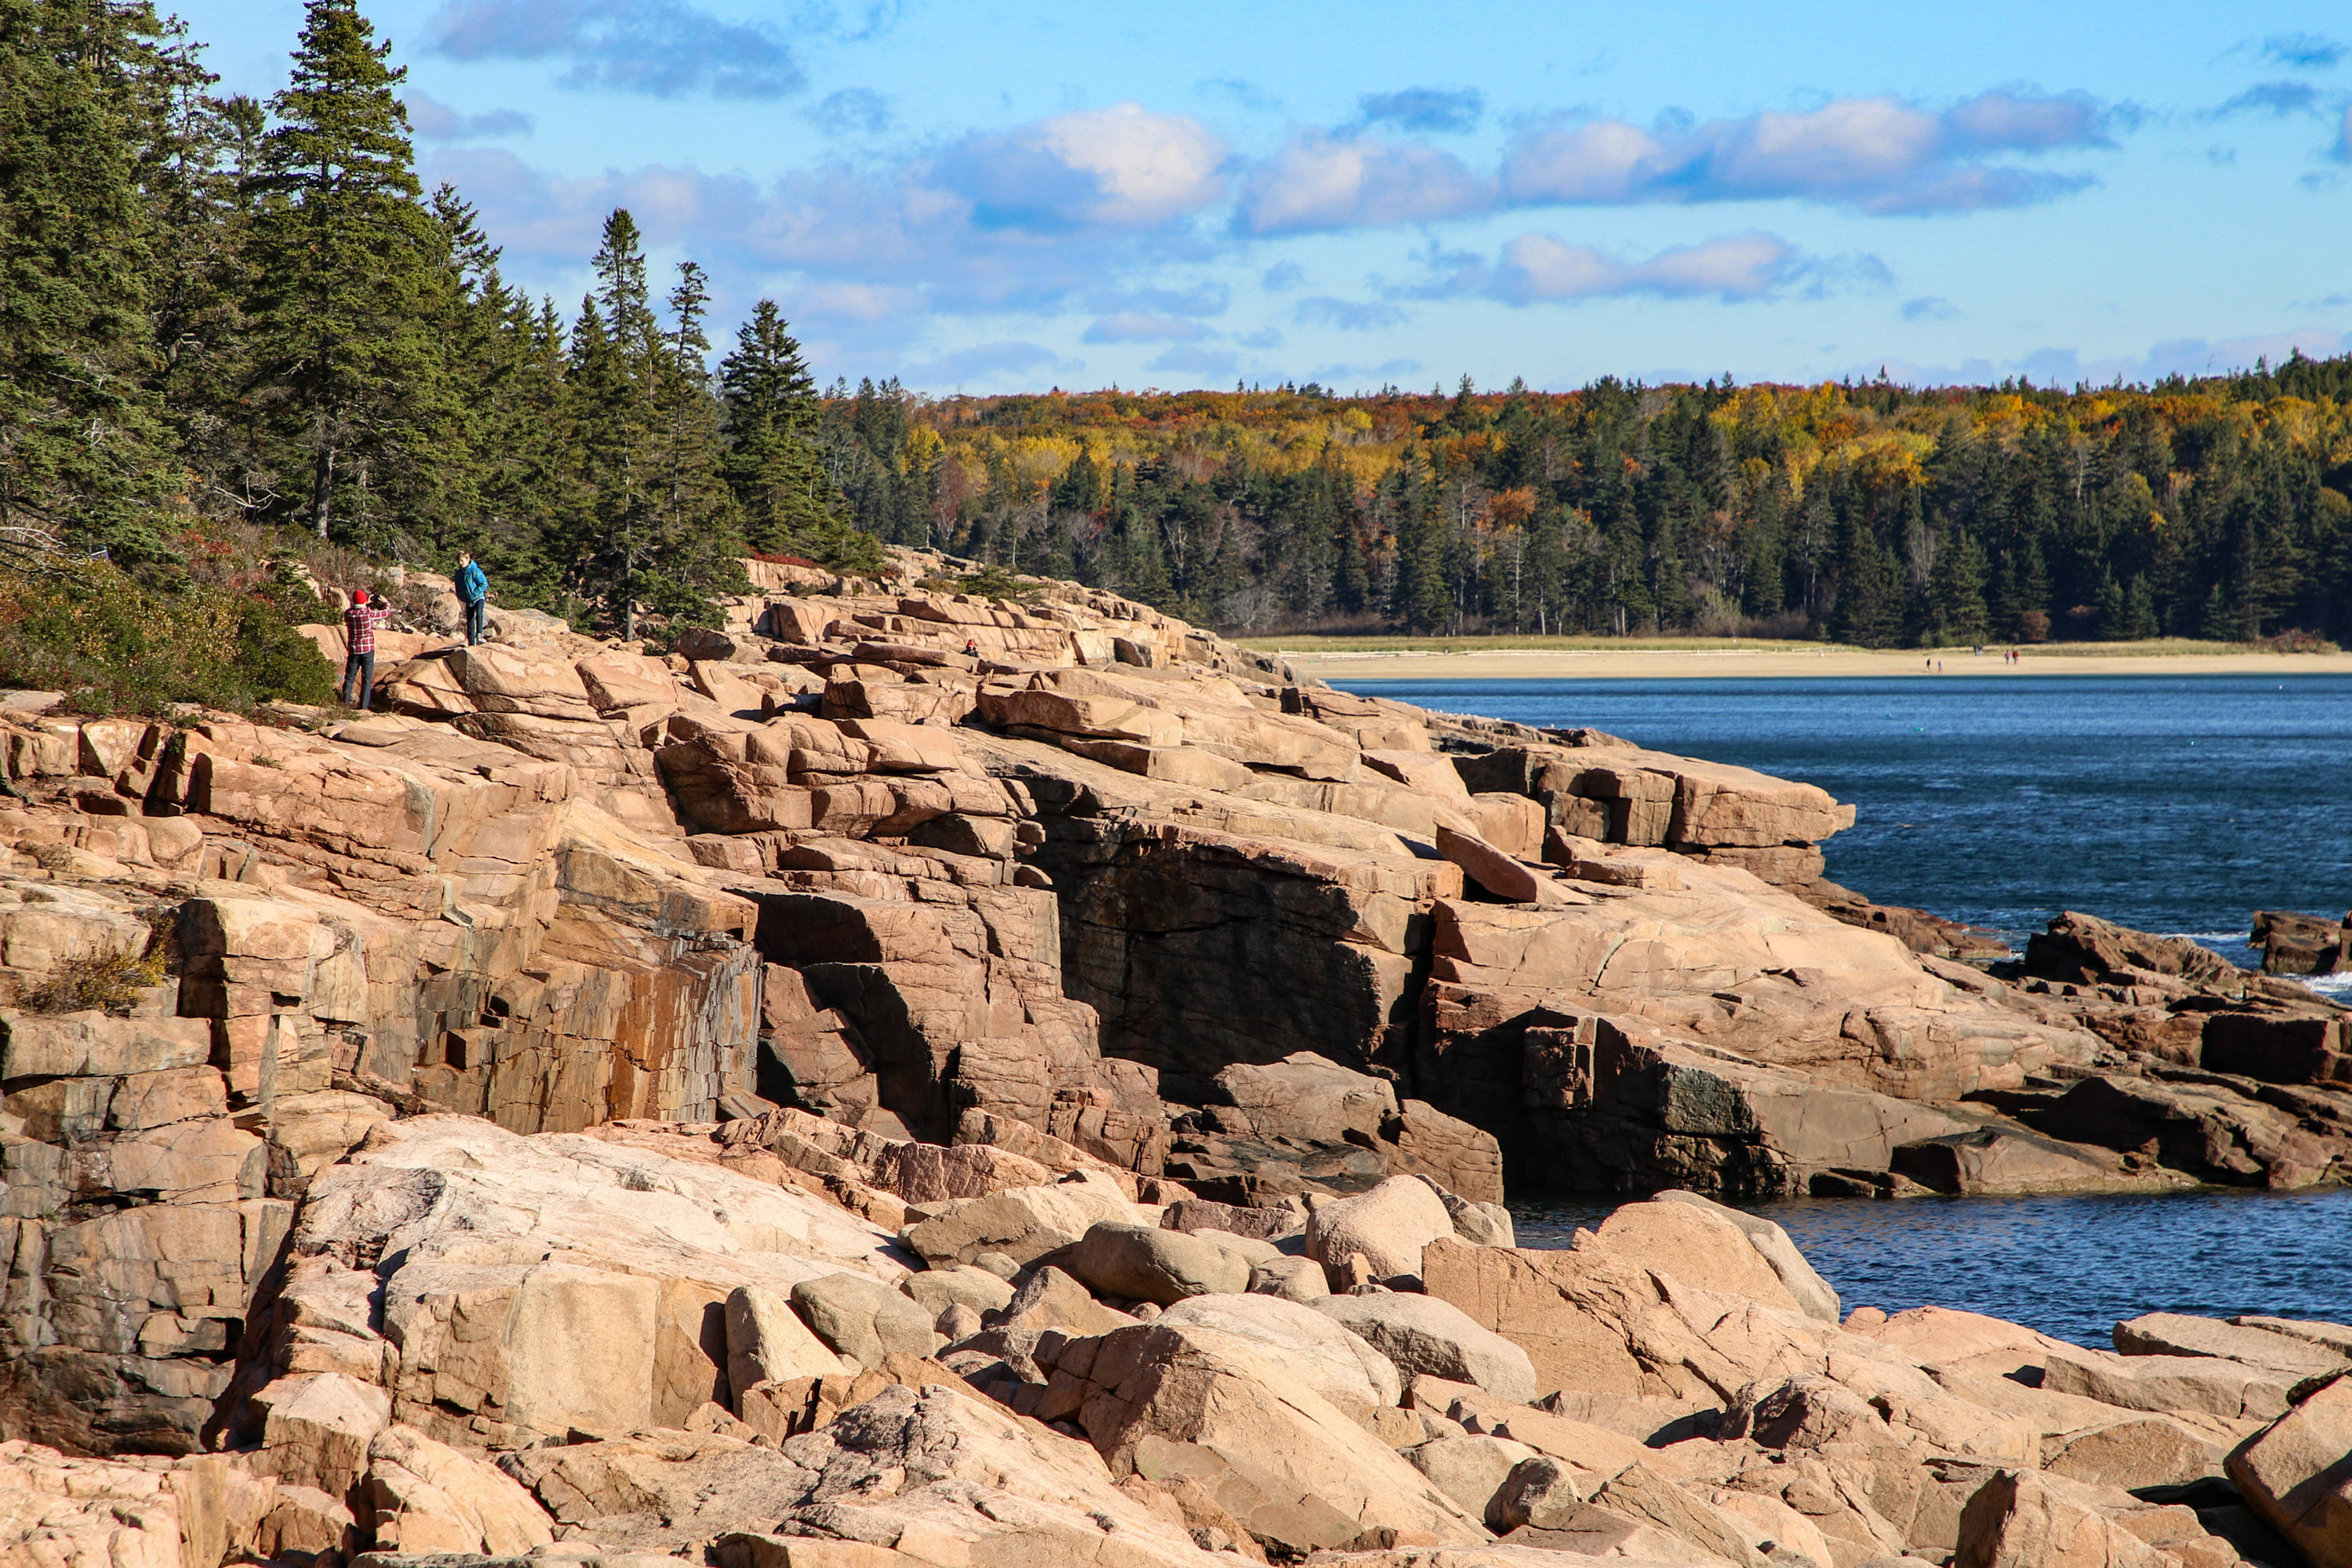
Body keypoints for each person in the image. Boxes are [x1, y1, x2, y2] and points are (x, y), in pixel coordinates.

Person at [341, 589, 392, 709]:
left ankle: (344, 704)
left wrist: (366, 603)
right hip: (367, 650)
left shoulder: (348, 613)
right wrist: (385, 602)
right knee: (366, 679)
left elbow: (358, 608)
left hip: (354, 650)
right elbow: (387, 612)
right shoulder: (368, 614)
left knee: (349, 678)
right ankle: (363, 706)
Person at [454, 552, 489, 646]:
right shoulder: (459, 573)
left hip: (478, 598)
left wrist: (475, 593)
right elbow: (458, 586)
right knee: (470, 620)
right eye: (459, 561)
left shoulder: (475, 571)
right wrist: (460, 595)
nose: (460, 563)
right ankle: (471, 642)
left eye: (462, 560)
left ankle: (479, 636)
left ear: (468, 559)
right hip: (468, 600)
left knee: (479, 614)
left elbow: (483, 583)